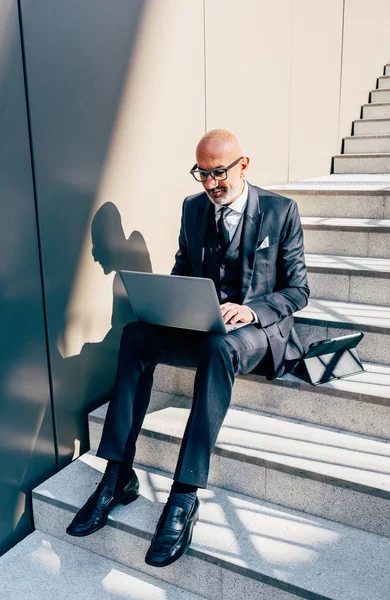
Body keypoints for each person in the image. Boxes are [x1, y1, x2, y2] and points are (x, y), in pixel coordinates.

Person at [66, 129, 309, 568]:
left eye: (220, 173)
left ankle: (183, 495)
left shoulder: (281, 211)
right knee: (137, 336)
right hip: (204, 323)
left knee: (218, 350)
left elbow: (298, 291)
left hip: (255, 330)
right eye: (203, 174)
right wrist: (175, 302)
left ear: (243, 165)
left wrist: (251, 310)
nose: (211, 184)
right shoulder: (193, 208)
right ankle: (117, 475)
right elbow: (183, 269)